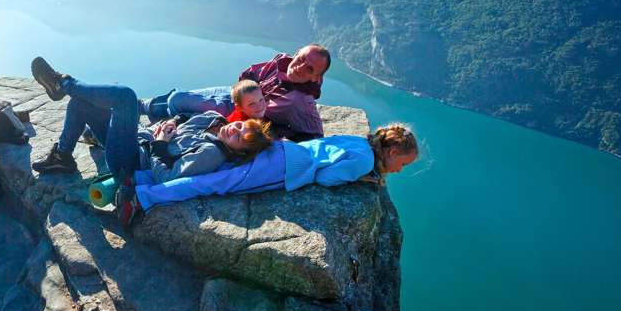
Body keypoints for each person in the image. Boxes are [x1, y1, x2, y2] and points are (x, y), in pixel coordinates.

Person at [28, 57, 275, 223]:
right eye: (241, 126)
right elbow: (182, 115)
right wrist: (173, 123)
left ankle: (64, 82)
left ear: (239, 151)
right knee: (81, 104)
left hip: (131, 160)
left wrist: (159, 144)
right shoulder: (213, 119)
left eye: (240, 139)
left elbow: (167, 177)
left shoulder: (212, 153)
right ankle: (62, 155)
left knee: (125, 96)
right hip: (132, 137)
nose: (236, 131)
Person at [132, 123, 419, 212]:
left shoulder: (360, 142)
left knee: (218, 171)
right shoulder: (365, 162)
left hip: (282, 150)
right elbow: (326, 178)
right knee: (211, 183)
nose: (399, 169)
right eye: (402, 163)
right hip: (282, 170)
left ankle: (141, 176)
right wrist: (359, 178)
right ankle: (145, 195)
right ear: (392, 151)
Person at [141, 44, 331, 142]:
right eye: (302, 58)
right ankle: (145, 107)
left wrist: (274, 131)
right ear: (297, 52)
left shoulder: (301, 100)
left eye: (309, 69)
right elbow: (249, 73)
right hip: (234, 92)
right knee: (180, 97)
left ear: (316, 78)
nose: (299, 67)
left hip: (239, 109)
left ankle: (148, 109)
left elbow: (314, 135)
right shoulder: (281, 61)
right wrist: (245, 86)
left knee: (178, 99)